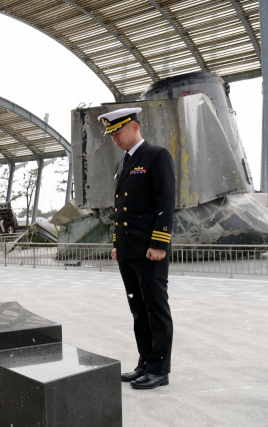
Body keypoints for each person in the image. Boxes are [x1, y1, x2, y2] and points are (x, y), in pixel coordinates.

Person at [98, 107, 175, 390]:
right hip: (129, 251)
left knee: (156, 309)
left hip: (149, 251)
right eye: (111, 135)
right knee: (138, 311)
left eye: (118, 132)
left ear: (134, 127)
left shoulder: (156, 156)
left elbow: (165, 203)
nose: (115, 139)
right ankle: (145, 362)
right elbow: (122, 210)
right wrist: (117, 244)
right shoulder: (123, 164)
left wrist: (159, 243)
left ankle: (159, 369)